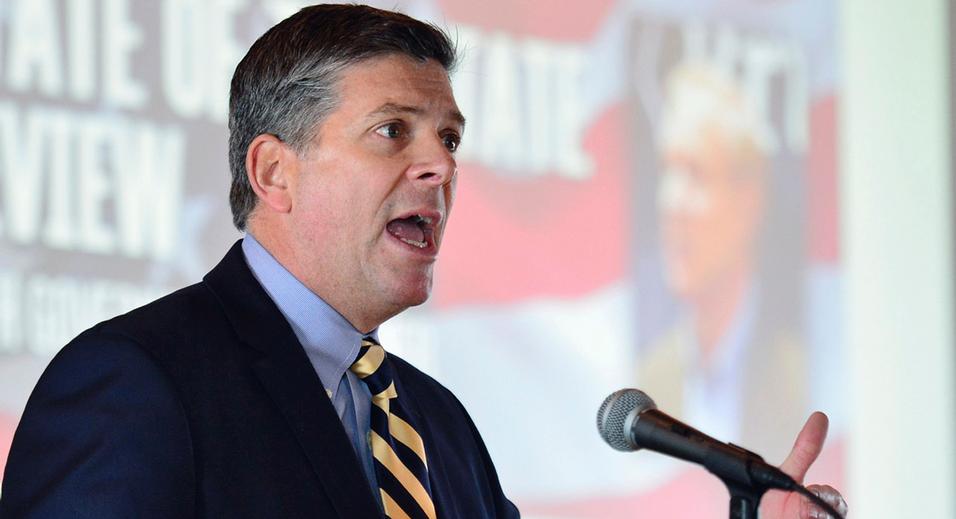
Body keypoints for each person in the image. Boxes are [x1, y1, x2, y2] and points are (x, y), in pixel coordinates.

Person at [1, 5, 844, 519]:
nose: (439, 166)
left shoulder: (434, 423)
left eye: (448, 138)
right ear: (273, 172)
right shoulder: (135, 383)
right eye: (391, 131)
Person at [639, 61, 808, 459]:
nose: (671, 202)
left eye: (695, 173)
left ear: (749, 200)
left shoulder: (797, 377)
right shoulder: (651, 378)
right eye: (667, 170)